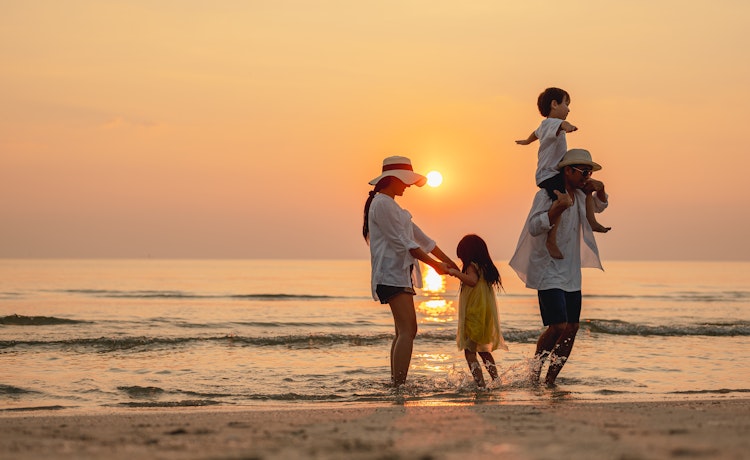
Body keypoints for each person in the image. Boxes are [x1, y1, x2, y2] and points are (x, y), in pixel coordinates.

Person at [509, 148, 608, 386]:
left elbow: (600, 206)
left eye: (590, 171)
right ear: (568, 170)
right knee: (557, 326)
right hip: (548, 270)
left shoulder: (582, 196)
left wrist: (601, 188)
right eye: (583, 171)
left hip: (571, 273)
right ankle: (534, 373)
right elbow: (534, 227)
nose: (587, 176)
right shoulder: (547, 195)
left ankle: (550, 380)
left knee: (572, 327)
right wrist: (557, 208)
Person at [363, 155, 458, 387]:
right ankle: (398, 385)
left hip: (399, 274)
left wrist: (451, 263)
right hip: (391, 275)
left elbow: (422, 239)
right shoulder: (383, 204)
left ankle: (396, 383)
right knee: (408, 330)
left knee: (403, 331)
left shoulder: (392, 206)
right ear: (393, 179)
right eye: (405, 181)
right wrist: (436, 267)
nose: (408, 186)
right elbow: (405, 244)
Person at [516, 87, 610, 259]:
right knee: (562, 201)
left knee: (587, 189)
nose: (568, 108)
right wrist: (569, 127)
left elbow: (534, 134)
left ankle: (592, 222)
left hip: (553, 173)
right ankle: (551, 239)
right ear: (554, 104)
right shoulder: (552, 124)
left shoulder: (543, 127)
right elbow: (562, 124)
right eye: (566, 103)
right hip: (549, 175)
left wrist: (526, 141)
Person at [448, 234, 508, 388]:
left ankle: (480, 384)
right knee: (483, 351)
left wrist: (455, 273)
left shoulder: (471, 266)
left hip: (474, 314)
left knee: (469, 351)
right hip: (484, 314)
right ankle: (496, 381)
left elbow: (472, 281)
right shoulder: (485, 267)